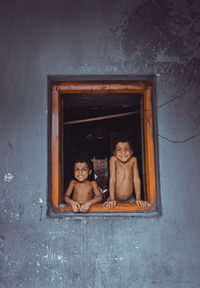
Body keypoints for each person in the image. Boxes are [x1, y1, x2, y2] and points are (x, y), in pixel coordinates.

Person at [104, 135, 149, 209]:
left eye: (126, 149)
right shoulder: (113, 160)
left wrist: (138, 198)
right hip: (114, 200)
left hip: (130, 199)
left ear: (131, 152)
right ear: (114, 152)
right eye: (119, 149)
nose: (123, 153)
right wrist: (111, 199)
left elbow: (136, 179)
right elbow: (112, 179)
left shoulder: (133, 160)